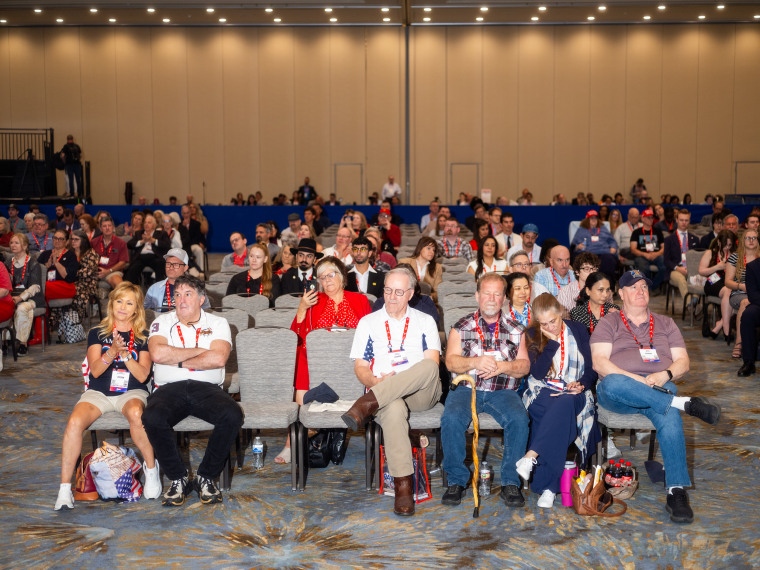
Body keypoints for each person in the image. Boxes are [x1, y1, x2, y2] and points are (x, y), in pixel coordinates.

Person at [591, 269, 722, 524]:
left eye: (644, 287)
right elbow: (599, 363)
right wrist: (640, 381)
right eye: (633, 287)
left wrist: (667, 373)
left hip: (661, 390)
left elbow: (683, 362)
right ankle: (685, 404)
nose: (640, 291)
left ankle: (676, 490)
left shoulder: (665, 323)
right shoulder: (610, 322)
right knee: (614, 382)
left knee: (669, 412)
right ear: (621, 293)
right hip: (619, 394)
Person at [343, 268, 441, 516]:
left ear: (410, 293)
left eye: (399, 291)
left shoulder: (425, 321)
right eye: (387, 290)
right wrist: (376, 381)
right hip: (384, 391)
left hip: (421, 393)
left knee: (428, 366)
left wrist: (383, 389)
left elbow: (433, 365)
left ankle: (366, 404)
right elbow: (360, 368)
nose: (392, 296)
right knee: (394, 406)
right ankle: (403, 489)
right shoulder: (368, 322)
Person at [54, 282, 159, 510]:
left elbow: (142, 376)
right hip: (99, 391)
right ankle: (64, 489)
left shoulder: (144, 336)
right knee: (73, 422)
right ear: (111, 304)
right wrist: (111, 352)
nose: (123, 306)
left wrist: (125, 355)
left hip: (131, 391)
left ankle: (151, 470)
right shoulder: (97, 333)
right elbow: (95, 371)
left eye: (129, 302)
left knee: (136, 413)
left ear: (136, 309)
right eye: (119, 301)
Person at [143, 274, 242, 506]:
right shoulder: (161, 322)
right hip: (168, 389)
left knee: (232, 415)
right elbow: (157, 354)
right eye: (177, 295)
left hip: (207, 388)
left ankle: (206, 477)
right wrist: (200, 351)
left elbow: (218, 358)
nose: (181, 300)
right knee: (152, 416)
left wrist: (175, 358)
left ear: (201, 299)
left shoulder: (218, 323)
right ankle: (178, 479)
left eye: (188, 294)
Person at [440, 273, 530, 508]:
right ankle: (457, 481)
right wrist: (475, 362)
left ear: (504, 298)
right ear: (477, 296)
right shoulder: (461, 326)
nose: (491, 298)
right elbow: (450, 362)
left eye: (497, 294)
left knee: (520, 420)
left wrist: (503, 366)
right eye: (487, 293)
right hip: (466, 389)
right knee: (450, 418)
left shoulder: (516, 329)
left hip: (503, 391)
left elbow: (524, 366)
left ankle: (511, 482)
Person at [275, 257, 372, 464]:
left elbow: (370, 337)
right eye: (321, 277)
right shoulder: (313, 301)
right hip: (320, 364)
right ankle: (294, 440)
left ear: (342, 276)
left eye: (331, 275)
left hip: (351, 363)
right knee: (302, 358)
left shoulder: (360, 300)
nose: (326, 281)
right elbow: (297, 338)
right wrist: (302, 308)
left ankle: (307, 431)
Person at [515, 293, 600, 509]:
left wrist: (581, 383)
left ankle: (532, 458)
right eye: (544, 323)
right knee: (560, 414)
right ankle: (550, 489)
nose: (550, 327)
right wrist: (551, 343)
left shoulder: (579, 330)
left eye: (553, 321)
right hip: (541, 391)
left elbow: (591, 369)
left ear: (561, 312)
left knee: (564, 403)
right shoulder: (533, 333)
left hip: (575, 392)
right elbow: (538, 372)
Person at [5, 233, 44, 356]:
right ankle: (5, 341)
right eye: (11, 242)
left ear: (25, 246)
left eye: (16, 243)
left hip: (31, 298)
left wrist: (21, 298)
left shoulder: (33, 263)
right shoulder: (7, 263)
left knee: (22, 308)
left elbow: (35, 287)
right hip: (11, 296)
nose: (13, 245)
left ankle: (23, 344)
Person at [725, 229, 758, 359]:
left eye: (754, 238)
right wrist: (741, 286)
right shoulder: (735, 257)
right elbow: (727, 282)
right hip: (739, 292)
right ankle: (739, 343)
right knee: (745, 302)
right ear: (742, 240)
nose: (751, 241)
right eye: (748, 238)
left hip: (757, 293)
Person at [144, 249, 211, 311]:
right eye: (168, 264)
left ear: (185, 268)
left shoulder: (196, 288)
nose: (171, 267)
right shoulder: (154, 289)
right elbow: (146, 314)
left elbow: (206, 313)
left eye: (176, 264)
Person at [698, 230, 736, 339]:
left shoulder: (734, 254)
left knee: (734, 296)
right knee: (728, 292)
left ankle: (719, 325)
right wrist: (717, 267)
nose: (727, 248)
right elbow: (701, 271)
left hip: (728, 281)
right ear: (719, 242)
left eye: (729, 245)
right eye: (725, 245)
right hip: (713, 281)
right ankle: (726, 330)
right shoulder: (710, 253)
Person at [38, 229, 79, 326]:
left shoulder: (71, 256)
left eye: (61, 239)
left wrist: (56, 262)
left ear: (67, 241)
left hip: (66, 287)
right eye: (55, 238)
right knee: (39, 292)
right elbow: (37, 272)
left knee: (41, 289)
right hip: (48, 287)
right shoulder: (45, 254)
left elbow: (68, 276)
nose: (57, 241)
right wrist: (46, 267)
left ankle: (44, 328)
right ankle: (43, 329)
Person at [663, 209, 700, 303]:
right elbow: (666, 260)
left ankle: (695, 300)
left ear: (689, 221)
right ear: (676, 220)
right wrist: (678, 268)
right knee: (681, 279)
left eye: (686, 220)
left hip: (691, 269)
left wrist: (691, 268)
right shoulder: (669, 239)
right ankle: (689, 304)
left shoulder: (695, 239)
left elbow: (698, 259)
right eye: (681, 220)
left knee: (696, 279)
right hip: (675, 269)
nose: (684, 223)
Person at [125, 213, 171, 284]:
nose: (146, 224)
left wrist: (153, 240)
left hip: (155, 257)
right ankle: (132, 291)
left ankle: (160, 290)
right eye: (145, 222)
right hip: (140, 257)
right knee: (132, 269)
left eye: (149, 222)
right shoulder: (139, 233)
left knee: (160, 265)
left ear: (154, 225)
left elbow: (167, 245)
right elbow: (129, 244)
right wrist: (142, 241)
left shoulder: (161, 233)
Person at [571, 210, 618, 278]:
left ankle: (608, 284)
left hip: (604, 252)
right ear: (587, 219)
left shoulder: (603, 228)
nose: (594, 220)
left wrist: (613, 247)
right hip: (587, 252)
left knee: (609, 260)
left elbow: (612, 241)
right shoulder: (581, 229)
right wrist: (577, 247)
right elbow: (573, 245)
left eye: (595, 218)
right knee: (584, 261)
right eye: (591, 218)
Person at [630, 208, 666, 295]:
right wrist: (645, 254)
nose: (650, 219)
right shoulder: (636, 232)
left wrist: (656, 253)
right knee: (643, 268)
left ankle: (652, 286)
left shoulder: (658, 232)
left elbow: (664, 247)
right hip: (641, 255)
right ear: (642, 218)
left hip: (656, 255)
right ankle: (648, 288)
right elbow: (633, 249)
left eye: (652, 218)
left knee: (665, 266)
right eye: (648, 217)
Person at [399, 236, 442, 301]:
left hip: (426, 301)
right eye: (429, 248)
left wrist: (431, 297)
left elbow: (438, 291)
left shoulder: (437, 267)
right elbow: (399, 285)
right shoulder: (404, 262)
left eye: (434, 250)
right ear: (420, 248)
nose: (432, 252)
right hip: (407, 300)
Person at [91, 217, 129, 288]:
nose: (107, 228)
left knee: (120, 286)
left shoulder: (121, 243)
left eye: (109, 225)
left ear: (113, 227)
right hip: (96, 272)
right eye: (104, 226)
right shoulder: (94, 242)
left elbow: (123, 263)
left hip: (113, 271)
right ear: (100, 228)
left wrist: (108, 271)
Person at [738, 258, 760, 376]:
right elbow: (752, 294)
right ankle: (748, 363)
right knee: (747, 315)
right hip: (759, 304)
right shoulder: (752, 266)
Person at [179, 204, 206, 274]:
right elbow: (179, 238)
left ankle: (201, 271)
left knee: (199, 249)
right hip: (182, 246)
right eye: (184, 213)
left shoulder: (196, 223)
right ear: (182, 214)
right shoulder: (179, 224)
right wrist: (183, 227)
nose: (186, 215)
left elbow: (197, 238)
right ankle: (188, 271)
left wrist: (189, 243)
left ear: (190, 213)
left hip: (192, 244)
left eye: (187, 213)